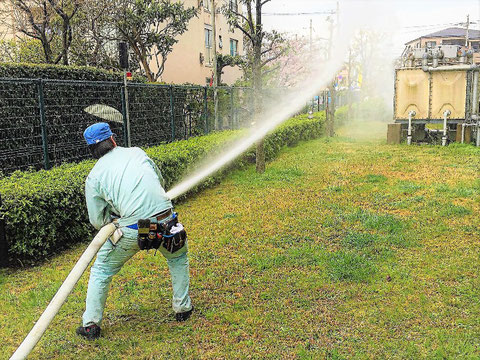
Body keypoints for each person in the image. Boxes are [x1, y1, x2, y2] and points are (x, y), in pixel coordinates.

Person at [76, 122, 193, 340]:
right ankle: (183, 310)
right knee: (178, 258)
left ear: (91, 150)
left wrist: (113, 216)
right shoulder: (137, 152)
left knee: (101, 270)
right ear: (113, 139)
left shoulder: (94, 176)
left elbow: (97, 220)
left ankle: (91, 325)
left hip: (134, 229)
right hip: (166, 222)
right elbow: (160, 181)